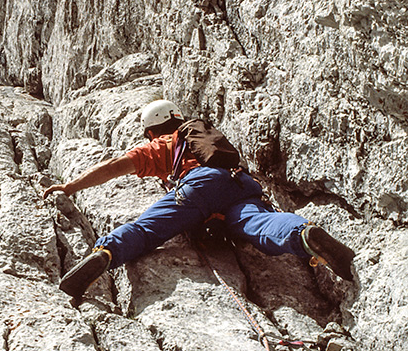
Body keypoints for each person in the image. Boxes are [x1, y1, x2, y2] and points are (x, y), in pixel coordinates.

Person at [43, 99, 355, 299]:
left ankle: (106, 254)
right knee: (258, 222)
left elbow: (113, 167)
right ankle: (303, 234)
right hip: (241, 184)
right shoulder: (205, 138)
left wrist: (69, 187)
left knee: (146, 230)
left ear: (152, 131)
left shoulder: (164, 144)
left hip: (199, 188)